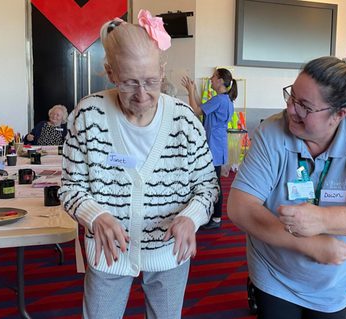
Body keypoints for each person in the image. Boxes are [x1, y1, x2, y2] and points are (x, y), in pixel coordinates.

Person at [58, 10, 218, 319]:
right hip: (108, 251)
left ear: (162, 69)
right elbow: (70, 188)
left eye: (151, 81)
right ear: (110, 72)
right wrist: (96, 216)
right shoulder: (88, 116)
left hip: (169, 251)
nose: (142, 95)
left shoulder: (184, 120)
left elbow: (207, 186)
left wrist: (191, 218)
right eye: (130, 83)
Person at [227, 55, 346, 318]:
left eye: (305, 106)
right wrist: (308, 244)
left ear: (339, 115)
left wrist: (321, 220)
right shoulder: (272, 133)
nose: (291, 109)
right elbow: (240, 208)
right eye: (291, 97)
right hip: (274, 274)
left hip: (332, 282)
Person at [181, 68, 237, 229]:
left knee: (214, 182)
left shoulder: (220, 99)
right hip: (217, 144)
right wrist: (194, 91)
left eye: (213, 77)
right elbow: (202, 107)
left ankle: (217, 217)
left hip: (214, 145)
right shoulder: (224, 99)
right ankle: (213, 215)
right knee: (214, 181)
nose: (211, 80)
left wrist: (190, 92)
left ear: (220, 81)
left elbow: (195, 111)